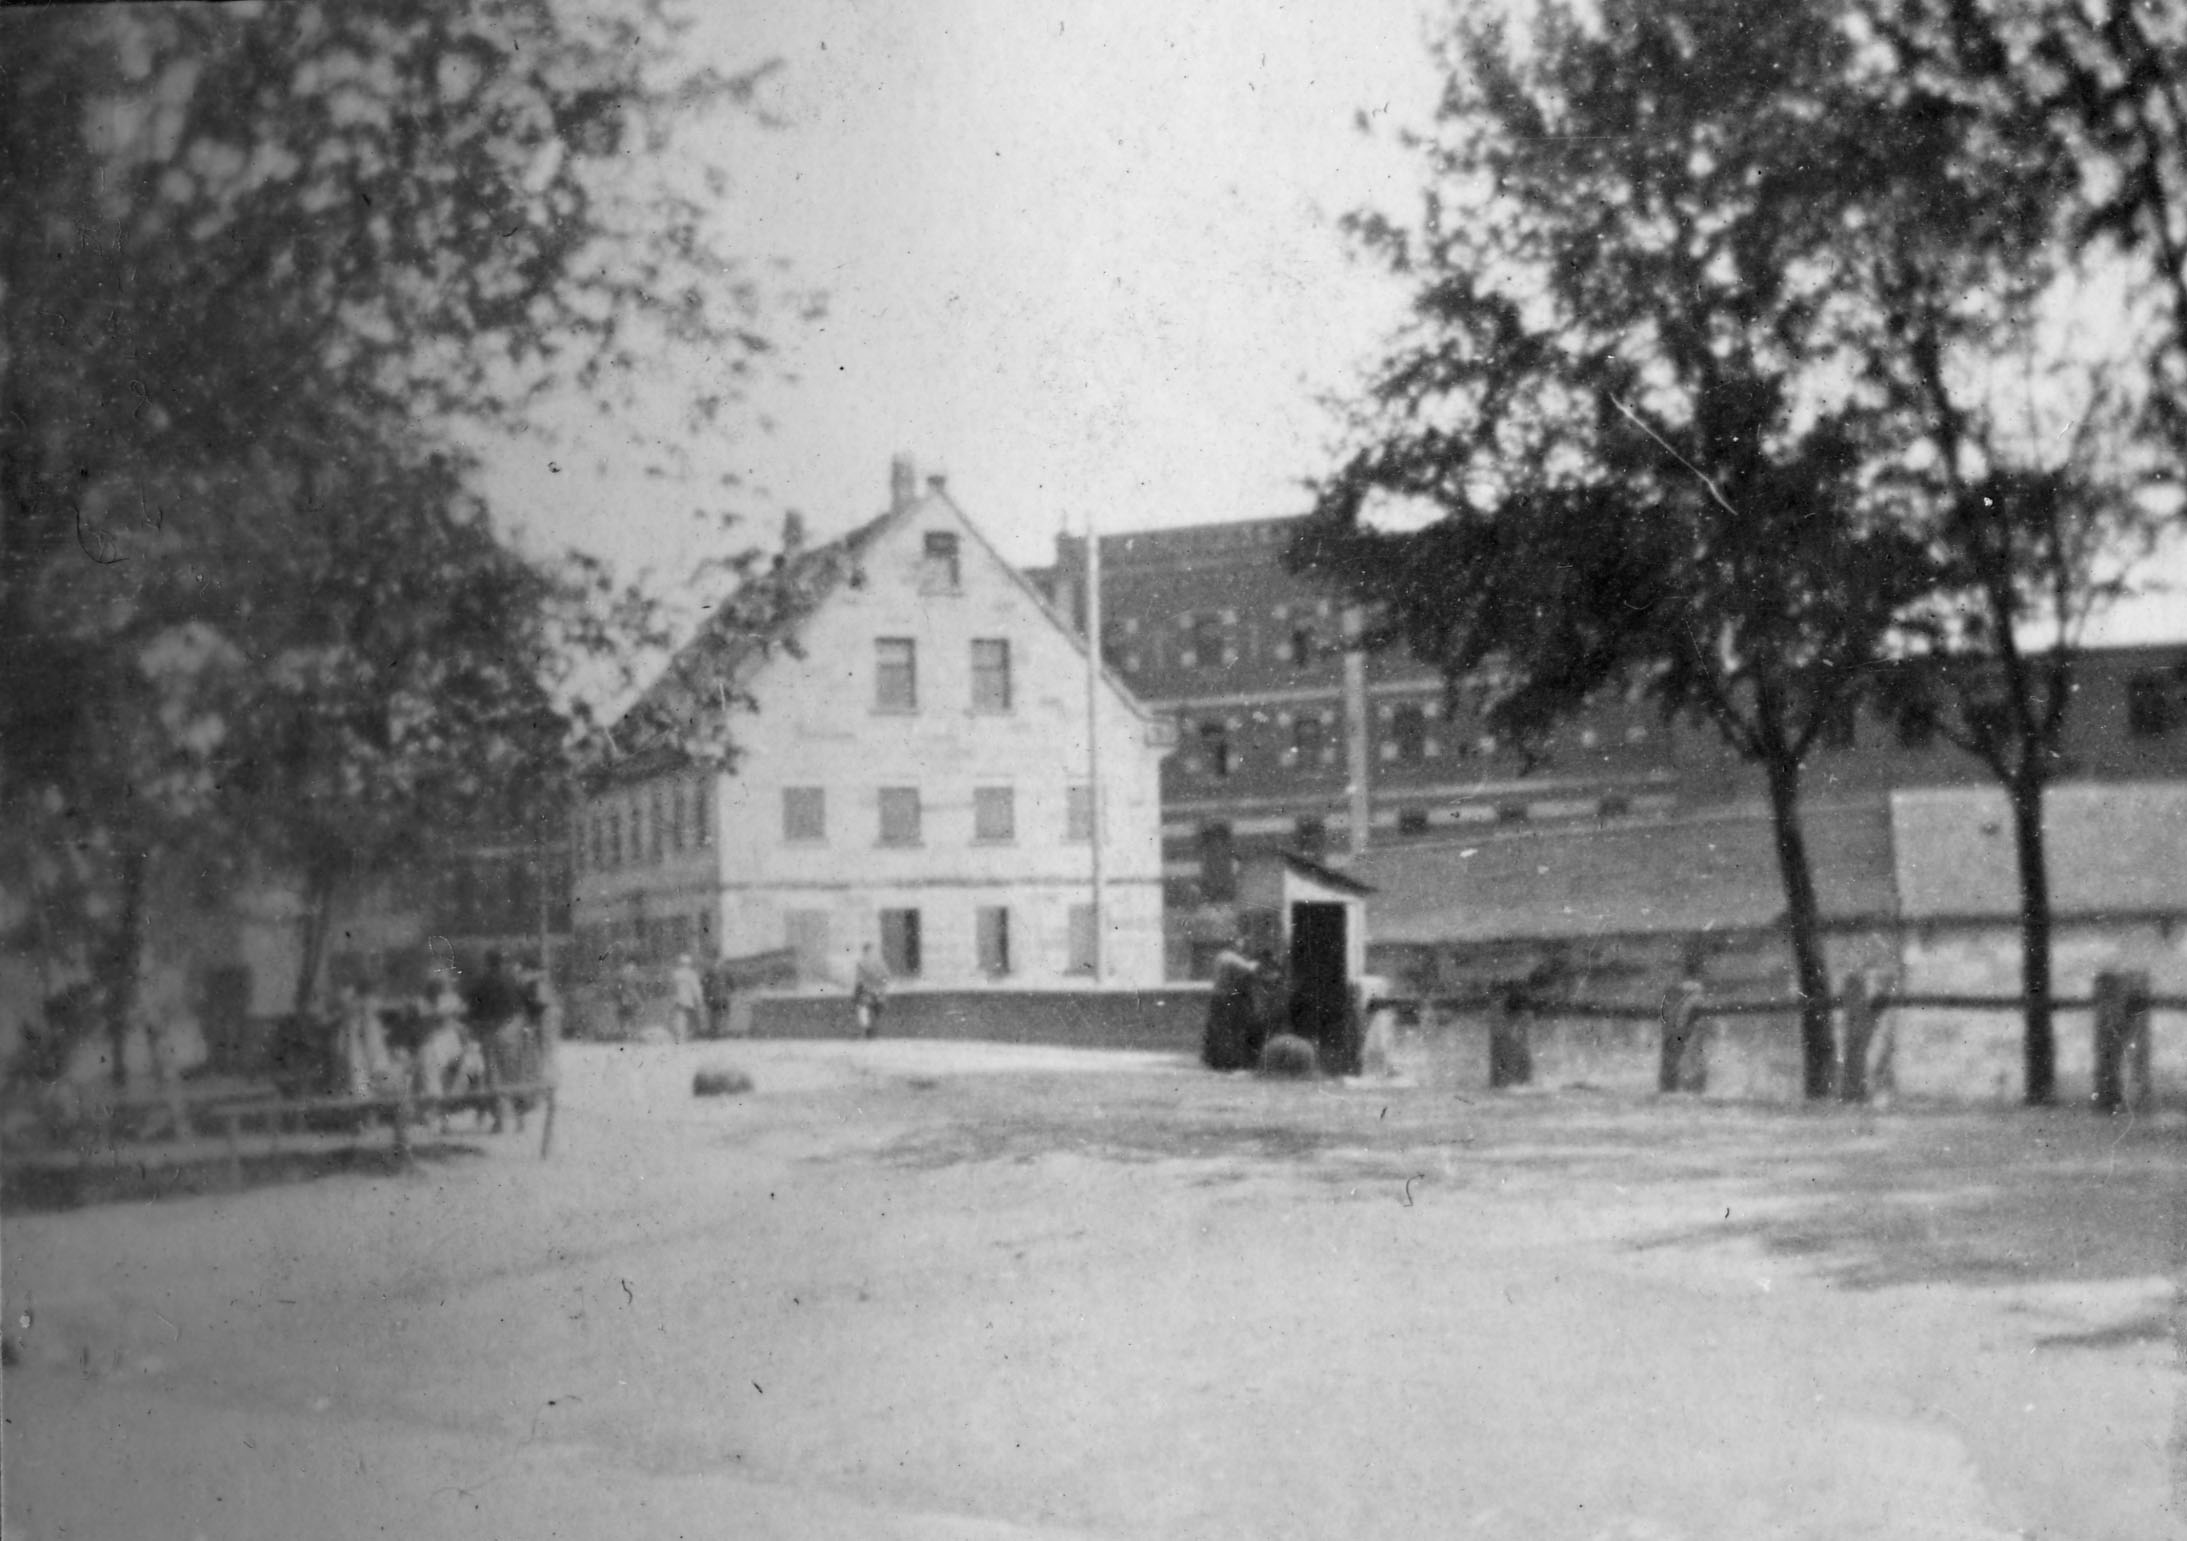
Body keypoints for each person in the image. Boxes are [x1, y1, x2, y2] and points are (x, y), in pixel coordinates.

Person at [465, 950, 530, 1133]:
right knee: (514, 1074)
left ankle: (499, 1120)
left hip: (490, 1032)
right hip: (510, 1030)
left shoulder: (482, 982)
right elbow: (524, 1005)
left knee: (494, 1077)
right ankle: (520, 1118)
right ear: (503, 962)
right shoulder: (513, 981)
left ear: (488, 963)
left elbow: (473, 1011)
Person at [1202, 938, 1261, 1072]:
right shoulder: (1231, 959)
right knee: (1230, 1031)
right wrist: (1256, 964)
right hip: (1228, 998)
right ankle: (1229, 1061)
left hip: (1219, 997)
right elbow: (1249, 969)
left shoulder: (1222, 957)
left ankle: (1216, 1060)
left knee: (1219, 1031)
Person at [853, 944, 890, 1039]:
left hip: (867, 991)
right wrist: (881, 986)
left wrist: (858, 991)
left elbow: (859, 979)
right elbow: (886, 976)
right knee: (875, 1011)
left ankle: (868, 1031)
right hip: (878, 991)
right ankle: (873, 1032)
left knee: (864, 1010)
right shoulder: (880, 963)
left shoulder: (861, 963)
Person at [670, 953, 707, 1042]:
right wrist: (700, 1000)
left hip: (678, 999)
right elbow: (696, 988)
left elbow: (671, 987)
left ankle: (680, 1036)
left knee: (680, 1017)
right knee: (690, 1018)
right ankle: (687, 1036)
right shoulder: (691, 974)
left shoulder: (675, 974)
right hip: (689, 1000)